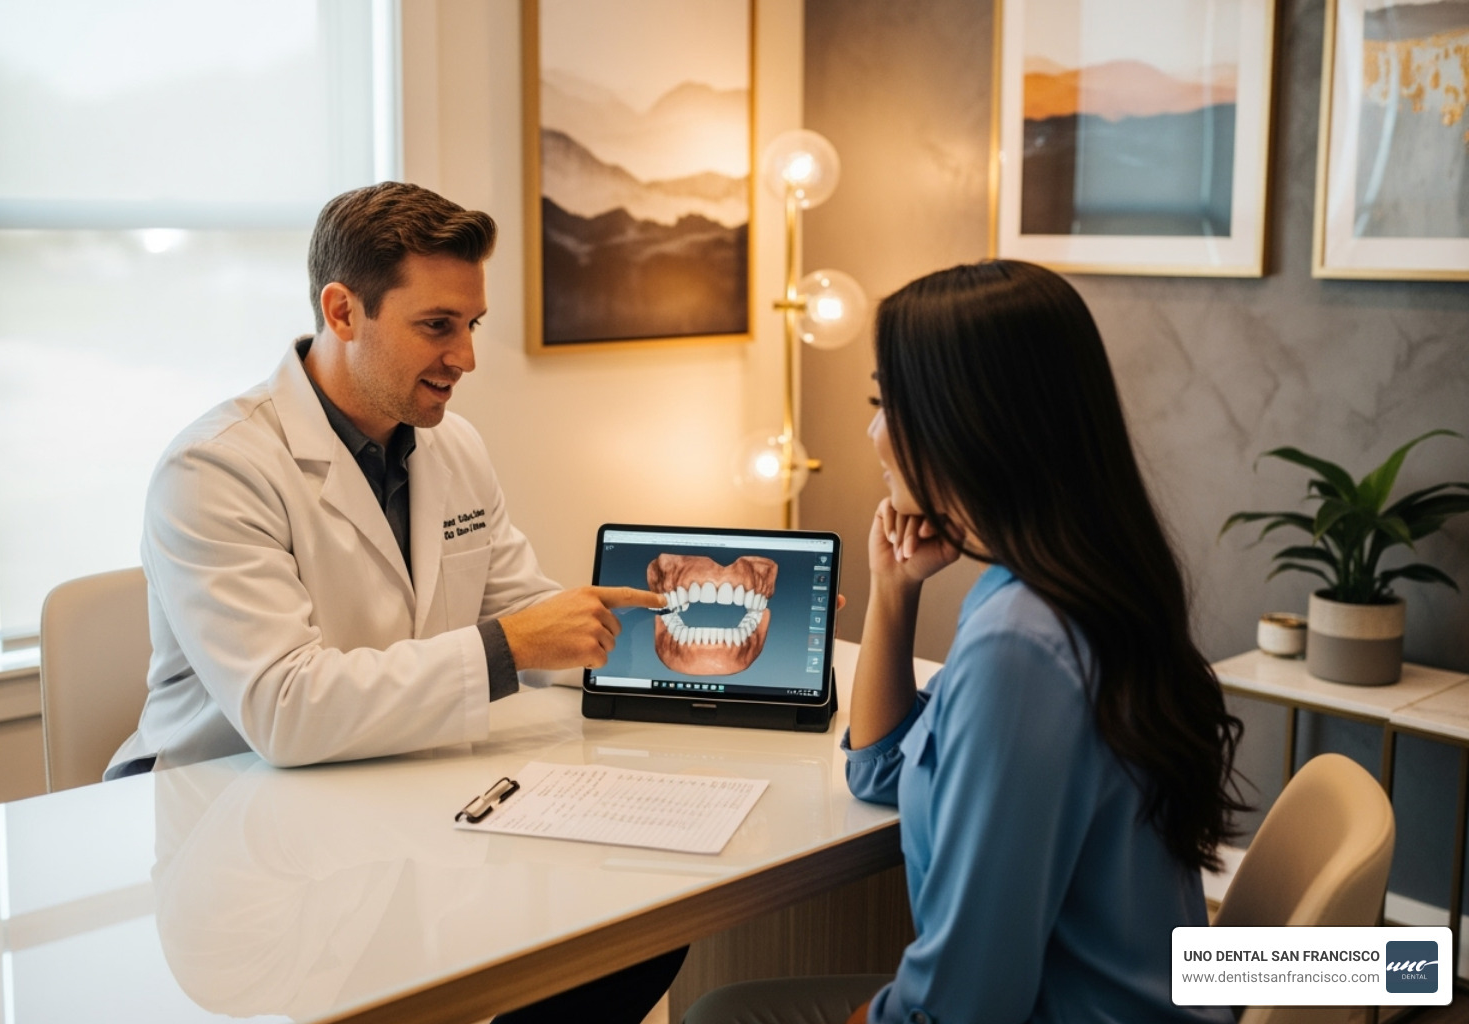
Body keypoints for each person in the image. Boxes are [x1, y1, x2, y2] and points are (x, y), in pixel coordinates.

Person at [105, 181, 681, 1022]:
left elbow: (526, 608)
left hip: (389, 801)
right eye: (437, 326)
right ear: (344, 311)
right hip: (232, 832)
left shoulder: (452, 447)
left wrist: (693, 636)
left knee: (638, 935)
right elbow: (285, 710)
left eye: (472, 325)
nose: (467, 358)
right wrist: (509, 648)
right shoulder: (217, 470)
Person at [684, 260, 1245, 1024]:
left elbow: (968, 1002)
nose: (872, 433)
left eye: (887, 402)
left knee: (722, 1014)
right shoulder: (1059, 586)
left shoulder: (1021, 645)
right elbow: (880, 770)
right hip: (1134, 999)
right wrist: (894, 591)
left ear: (968, 420)